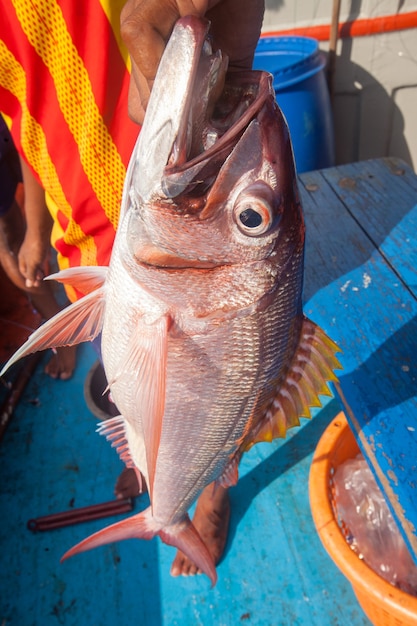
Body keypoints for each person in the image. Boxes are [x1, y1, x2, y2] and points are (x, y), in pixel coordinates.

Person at [0, 0, 265, 577]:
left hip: (144, 172)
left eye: (252, 218)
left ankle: (214, 486)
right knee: (125, 379)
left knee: (222, 393)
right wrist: (35, 229)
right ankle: (155, 472)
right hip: (88, 229)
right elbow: (24, 117)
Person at [0, 115, 76, 378]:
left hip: (14, 113)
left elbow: (28, 129)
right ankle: (64, 335)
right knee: (8, 241)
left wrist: (36, 233)